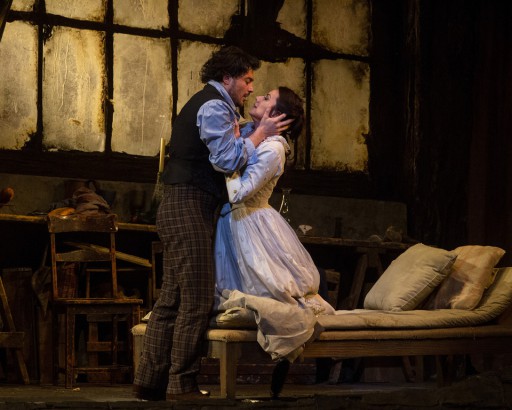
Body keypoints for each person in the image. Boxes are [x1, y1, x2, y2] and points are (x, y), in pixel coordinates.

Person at [133, 46, 292, 402]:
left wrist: (257, 128)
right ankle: (182, 384)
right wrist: (259, 133)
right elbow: (227, 159)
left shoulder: (222, 109)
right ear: (228, 77)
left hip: (187, 206)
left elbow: (233, 141)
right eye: (248, 80)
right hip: (188, 204)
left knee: (172, 298)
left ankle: (150, 382)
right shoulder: (214, 106)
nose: (251, 88)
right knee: (197, 298)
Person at [214, 87, 335, 398]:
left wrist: (226, 168)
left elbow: (241, 192)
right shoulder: (255, 132)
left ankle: (288, 350)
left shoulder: (274, 149)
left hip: (250, 221)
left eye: (266, 98)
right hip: (234, 222)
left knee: (272, 289)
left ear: (278, 115)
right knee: (245, 290)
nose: (258, 98)